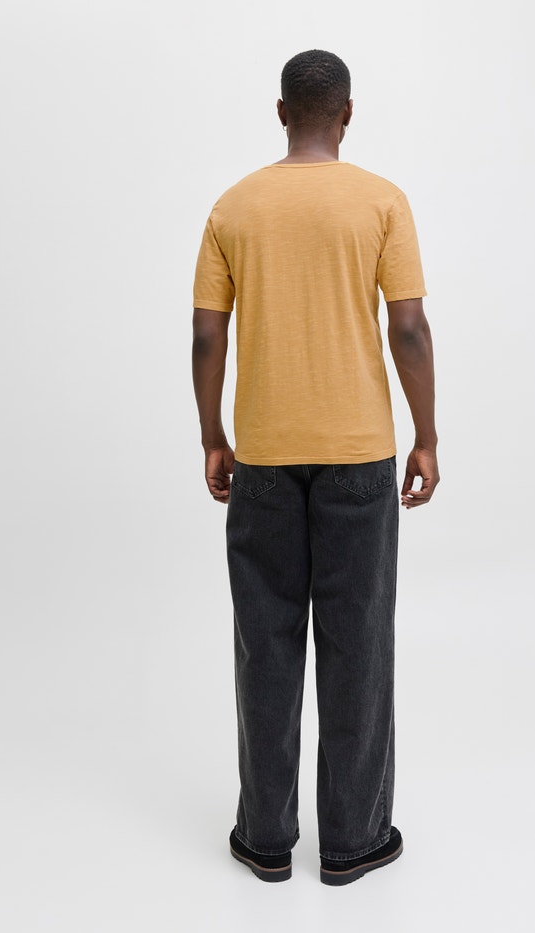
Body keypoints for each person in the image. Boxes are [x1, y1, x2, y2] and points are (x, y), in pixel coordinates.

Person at [191, 49, 439, 886]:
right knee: (357, 643)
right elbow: (409, 328)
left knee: (264, 644)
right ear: (347, 114)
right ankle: (353, 841)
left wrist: (212, 435)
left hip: (262, 455)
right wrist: (427, 435)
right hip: (359, 457)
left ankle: (265, 838)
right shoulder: (381, 201)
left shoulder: (233, 206)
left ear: (280, 112)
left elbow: (207, 335)